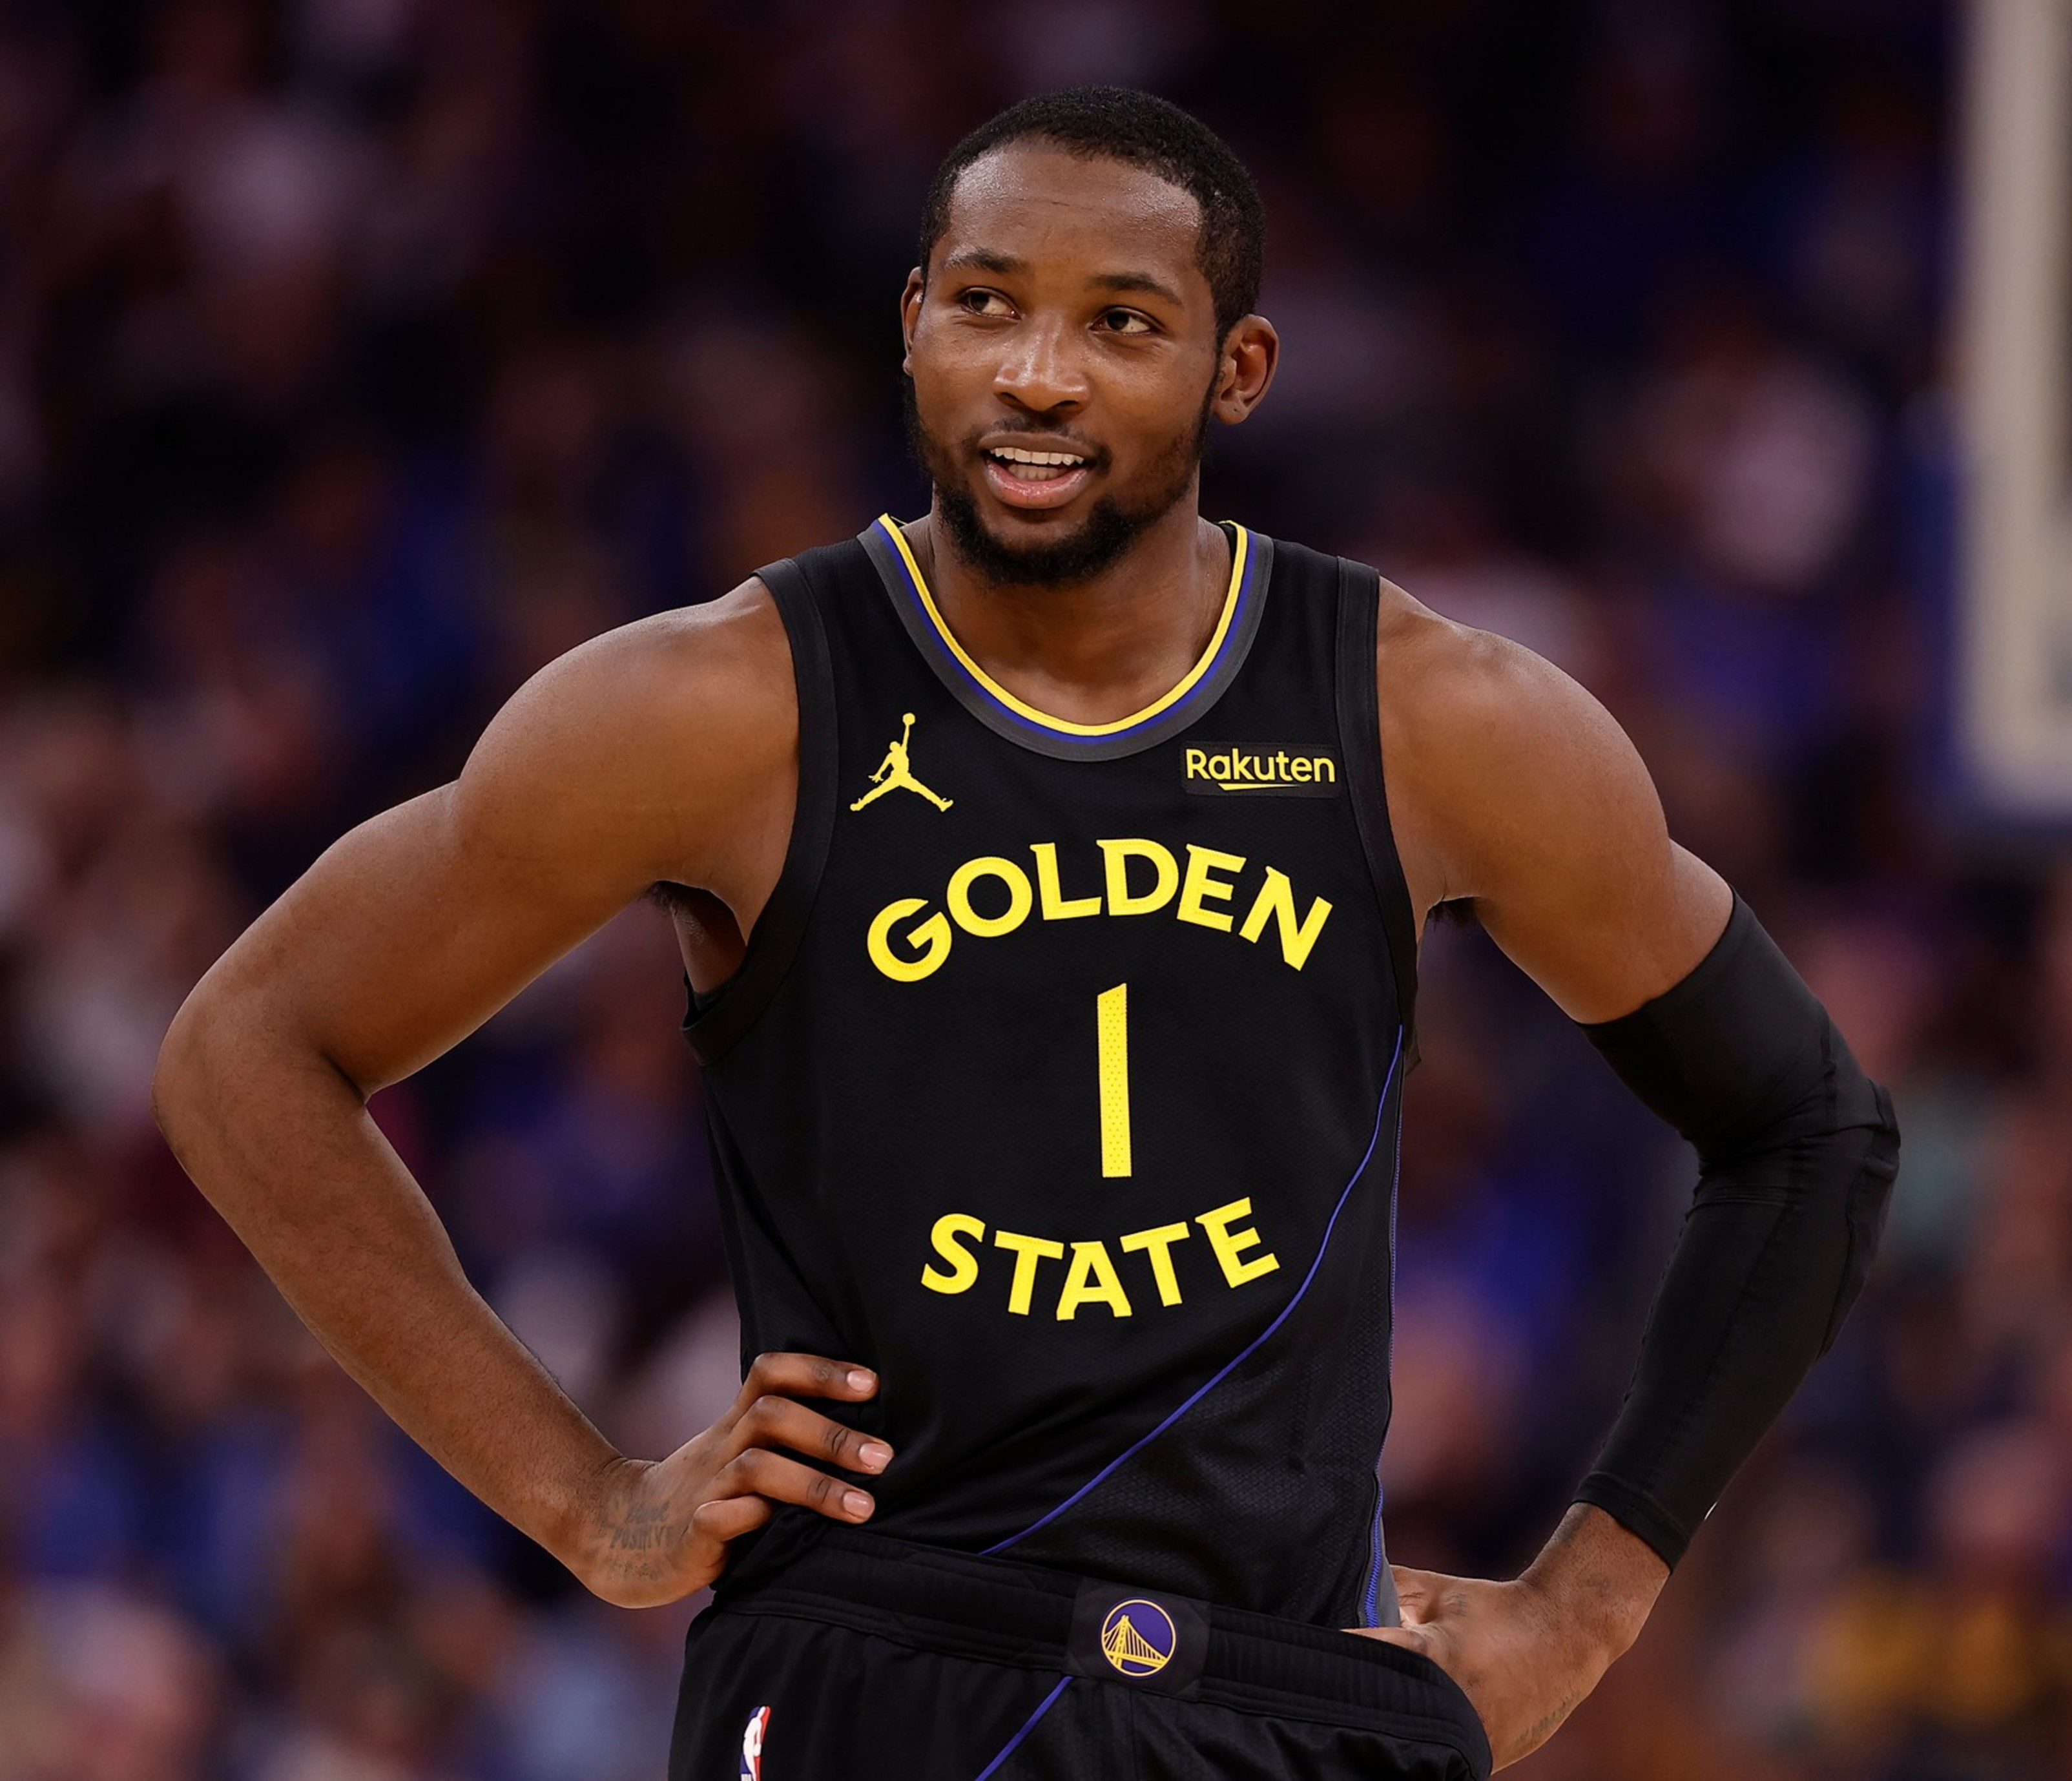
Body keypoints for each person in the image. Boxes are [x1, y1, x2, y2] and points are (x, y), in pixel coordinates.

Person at [153, 88, 1896, 1778]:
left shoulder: (1432, 718)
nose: (1037, 372)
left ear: (1240, 371)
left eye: (1120, 322)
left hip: (1284, 1693)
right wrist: (587, 1501)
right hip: (877, 1661)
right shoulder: (716, 707)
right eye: (987, 304)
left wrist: (1585, 1607)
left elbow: (1808, 1123)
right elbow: (250, 1050)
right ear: (914, 323)